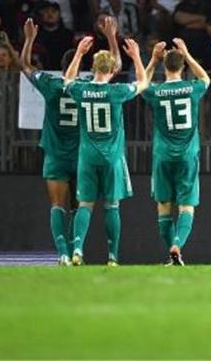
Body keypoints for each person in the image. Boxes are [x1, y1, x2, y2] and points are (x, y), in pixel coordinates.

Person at [19, 18, 117, 265]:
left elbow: (25, 65)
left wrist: (29, 39)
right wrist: (111, 37)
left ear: (61, 68)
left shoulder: (51, 84)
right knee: (79, 206)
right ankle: (77, 250)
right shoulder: (85, 86)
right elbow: (113, 68)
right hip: (81, 155)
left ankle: (62, 253)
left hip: (55, 154)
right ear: (82, 66)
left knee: (57, 206)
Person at [63, 33, 149, 266]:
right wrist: (137, 57)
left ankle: (78, 250)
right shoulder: (116, 91)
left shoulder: (81, 90)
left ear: (92, 68)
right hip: (111, 157)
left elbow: (68, 80)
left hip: (88, 156)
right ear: (112, 71)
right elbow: (143, 83)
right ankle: (112, 257)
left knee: (85, 205)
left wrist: (79, 53)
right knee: (112, 205)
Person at [141, 39, 210, 266]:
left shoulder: (157, 92)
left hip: (163, 156)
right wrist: (188, 54)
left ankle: (172, 254)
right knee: (186, 206)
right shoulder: (192, 88)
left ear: (165, 67)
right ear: (182, 67)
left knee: (163, 206)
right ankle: (177, 247)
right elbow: (206, 79)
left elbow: (141, 83)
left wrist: (152, 60)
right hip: (187, 155)